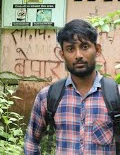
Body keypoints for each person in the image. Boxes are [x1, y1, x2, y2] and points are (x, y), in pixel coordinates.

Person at [24, 19, 117, 154]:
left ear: (97, 50)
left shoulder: (115, 96)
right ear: (62, 54)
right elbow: (31, 141)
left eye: (84, 47)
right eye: (70, 49)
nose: (78, 55)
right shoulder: (48, 97)